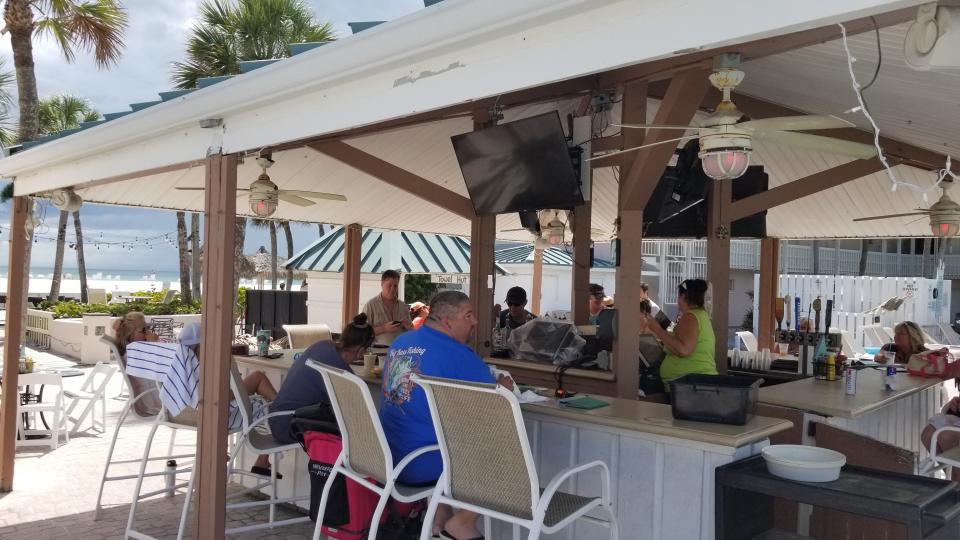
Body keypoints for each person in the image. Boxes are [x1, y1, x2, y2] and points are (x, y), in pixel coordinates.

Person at [380, 290, 513, 540]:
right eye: (469, 315)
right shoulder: (459, 355)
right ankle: (462, 522)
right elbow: (498, 406)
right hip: (425, 464)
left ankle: (438, 522)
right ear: (447, 321)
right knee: (504, 448)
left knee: (440, 432)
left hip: (389, 457)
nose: (475, 321)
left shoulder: (400, 343)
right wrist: (504, 389)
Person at [178, 323, 280, 477]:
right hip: (219, 415)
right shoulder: (208, 364)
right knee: (265, 396)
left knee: (259, 386)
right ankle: (286, 412)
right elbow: (218, 395)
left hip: (194, 413)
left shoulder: (180, 364)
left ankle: (261, 458)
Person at [269, 313, 376, 444]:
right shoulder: (342, 373)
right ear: (361, 350)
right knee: (357, 429)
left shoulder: (322, 345)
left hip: (276, 418)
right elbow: (355, 412)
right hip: (290, 426)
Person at [640, 279, 717, 390]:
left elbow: (683, 349)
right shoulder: (699, 315)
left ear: (682, 296)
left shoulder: (690, 317)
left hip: (691, 386)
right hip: (691, 384)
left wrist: (657, 329)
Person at [362, 269, 412, 345]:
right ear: (382, 284)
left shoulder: (403, 306)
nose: (392, 289)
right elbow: (363, 333)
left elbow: (411, 331)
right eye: (389, 285)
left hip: (400, 351)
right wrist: (384, 328)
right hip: (378, 352)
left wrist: (407, 327)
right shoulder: (370, 305)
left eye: (395, 286)